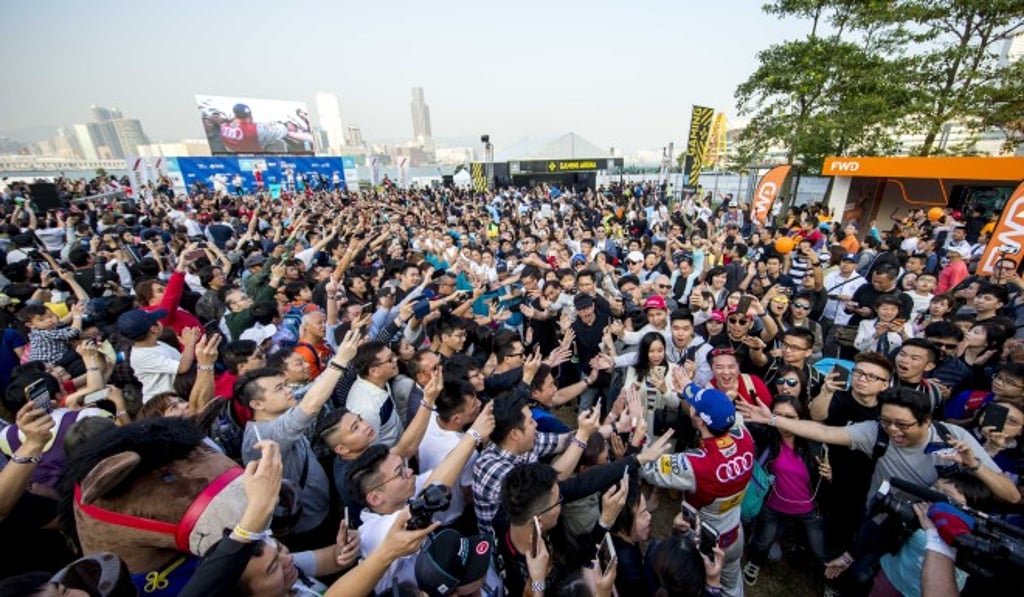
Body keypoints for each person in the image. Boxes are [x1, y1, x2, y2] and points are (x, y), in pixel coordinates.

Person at [641, 382, 756, 597]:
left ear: (700, 421)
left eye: (693, 406)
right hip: (734, 533)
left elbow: (647, 468)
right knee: (732, 585)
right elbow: (729, 415)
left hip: (704, 540)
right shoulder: (744, 435)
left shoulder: (694, 464)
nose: (690, 407)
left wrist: (640, 433)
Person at [741, 395, 830, 587]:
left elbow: (833, 481)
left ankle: (831, 581)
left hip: (809, 511)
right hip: (773, 507)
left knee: (820, 551)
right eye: (777, 415)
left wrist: (830, 476)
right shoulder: (767, 437)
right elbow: (735, 426)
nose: (782, 422)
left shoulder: (816, 445)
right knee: (763, 542)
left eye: (790, 417)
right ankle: (755, 563)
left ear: (801, 419)